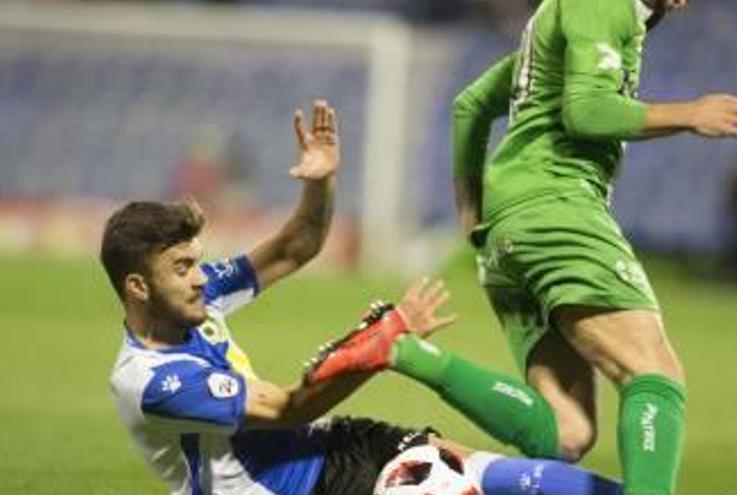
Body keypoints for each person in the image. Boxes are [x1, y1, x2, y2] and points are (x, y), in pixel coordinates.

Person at [306, 2, 737, 495]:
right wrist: (690, 113)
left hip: (510, 230)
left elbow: (471, 104)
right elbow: (587, 111)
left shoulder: (569, 24)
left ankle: (398, 348)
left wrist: (470, 208)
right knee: (653, 374)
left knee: (567, 432)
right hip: (557, 211)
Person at [103, 101, 622, 495]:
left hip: (331, 446)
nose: (199, 278)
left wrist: (321, 183)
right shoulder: (150, 380)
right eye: (181, 268)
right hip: (293, 488)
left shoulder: (202, 296)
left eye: (195, 262)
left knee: (505, 476)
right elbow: (286, 406)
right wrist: (377, 348)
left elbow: (294, 247)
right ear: (138, 287)